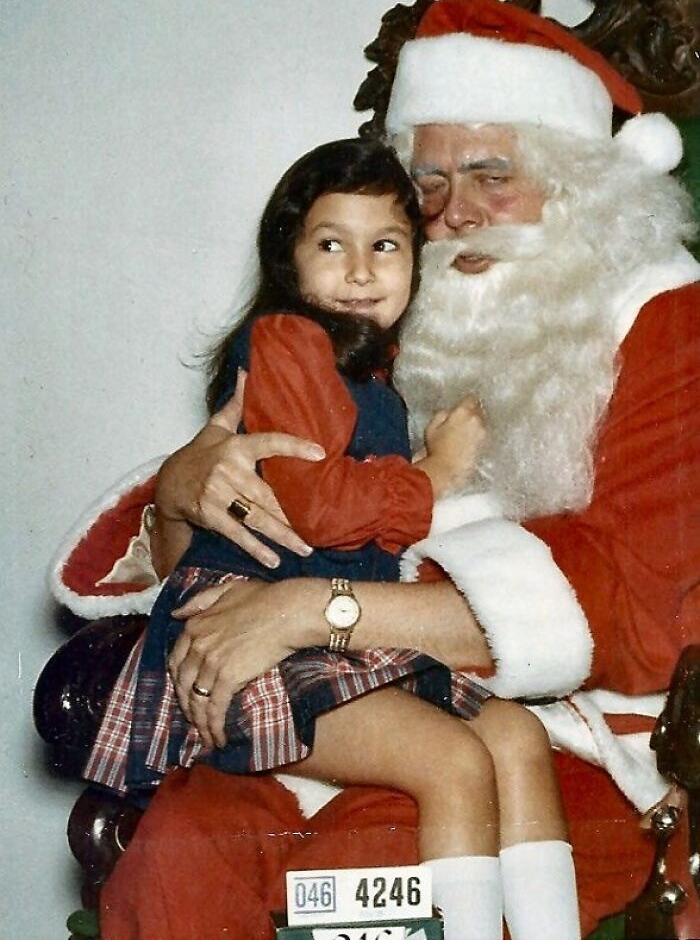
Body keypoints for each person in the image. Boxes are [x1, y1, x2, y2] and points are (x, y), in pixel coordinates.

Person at [53, 0, 700, 940]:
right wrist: (185, 491)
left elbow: (634, 606)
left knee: (363, 872)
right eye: (428, 185)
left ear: (578, 189)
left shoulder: (666, 323)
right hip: (352, 699)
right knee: (177, 857)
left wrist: (316, 612)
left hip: (578, 742)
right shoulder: (397, 316)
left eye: (492, 175)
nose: (456, 214)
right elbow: (268, 525)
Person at [87, 136, 579, 940]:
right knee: (451, 762)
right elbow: (312, 507)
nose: (359, 271)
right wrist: (436, 475)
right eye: (330, 245)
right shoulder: (287, 343)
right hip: (242, 631)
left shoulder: (370, 371)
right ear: (289, 261)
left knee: (515, 736)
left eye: (384, 245)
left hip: (329, 632)